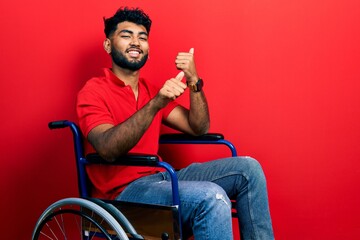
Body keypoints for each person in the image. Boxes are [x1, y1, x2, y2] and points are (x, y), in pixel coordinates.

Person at [77, 7, 274, 240]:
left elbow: (198, 127)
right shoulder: (93, 91)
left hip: (160, 178)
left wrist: (194, 80)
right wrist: (156, 104)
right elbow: (108, 149)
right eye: (126, 35)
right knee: (212, 196)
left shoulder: (151, 89)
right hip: (123, 194)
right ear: (108, 45)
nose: (135, 42)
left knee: (249, 170)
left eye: (142, 37)